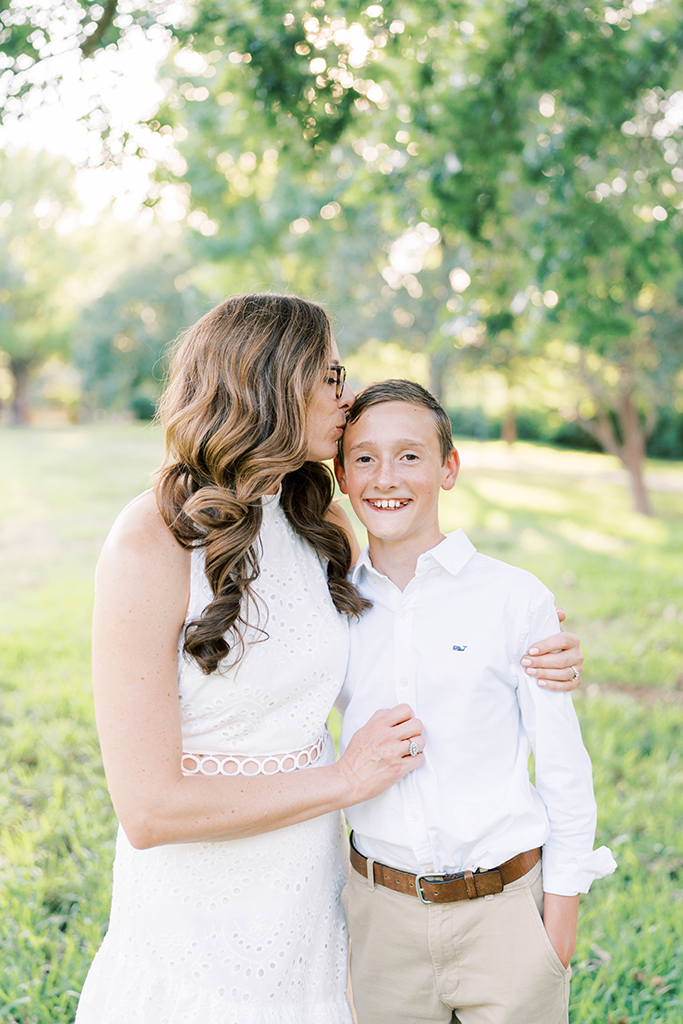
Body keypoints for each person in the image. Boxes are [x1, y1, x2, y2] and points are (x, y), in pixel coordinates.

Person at [75, 294, 584, 1024]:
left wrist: (526, 637)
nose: (346, 400)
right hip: (196, 905)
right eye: (331, 377)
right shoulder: (149, 540)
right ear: (275, 384)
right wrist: (344, 779)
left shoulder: (319, 525)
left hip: (311, 895)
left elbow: (410, 621)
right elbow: (147, 810)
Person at [334, 380, 617, 1024]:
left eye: (410, 455)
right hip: (381, 914)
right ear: (342, 476)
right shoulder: (333, 607)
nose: (386, 477)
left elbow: (564, 768)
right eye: (365, 457)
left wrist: (560, 919)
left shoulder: (514, 600)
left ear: (449, 468)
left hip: (506, 913)